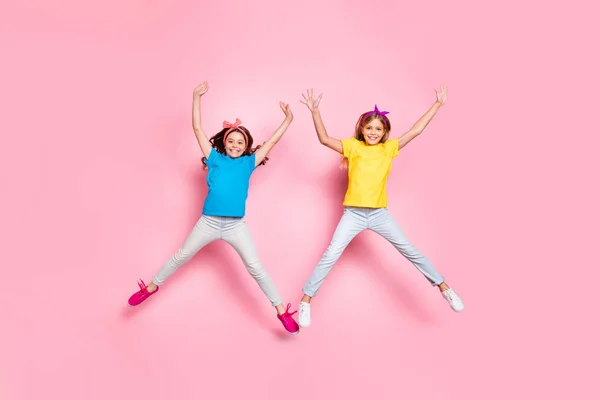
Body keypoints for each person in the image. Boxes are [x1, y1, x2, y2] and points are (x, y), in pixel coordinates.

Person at [128, 81, 300, 335]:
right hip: (207, 223)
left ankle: (281, 311)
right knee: (181, 256)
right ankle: (151, 287)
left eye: (240, 142)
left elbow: (271, 142)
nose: (235, 144)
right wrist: (196, 97)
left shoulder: (250, 162)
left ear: (246, 145)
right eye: (231, 140)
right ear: (224, 142)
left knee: (255, 267)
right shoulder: (215, 158)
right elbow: (197, 127)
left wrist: (288, 120)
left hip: (235, 225)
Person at [297, 86, 464, 328]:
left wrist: (437, 105)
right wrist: (315, 111)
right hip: (352, 214)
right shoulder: (353, 147)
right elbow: (324, 139)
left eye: (378, 129)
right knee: (331, 254)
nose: (373, 132)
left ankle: (445, 288)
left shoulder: (389, 149)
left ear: (384, 132)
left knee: (409, 249)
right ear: (361, 129)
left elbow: (416, 131)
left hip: (378, 215)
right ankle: (306, 301)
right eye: (369, 128)